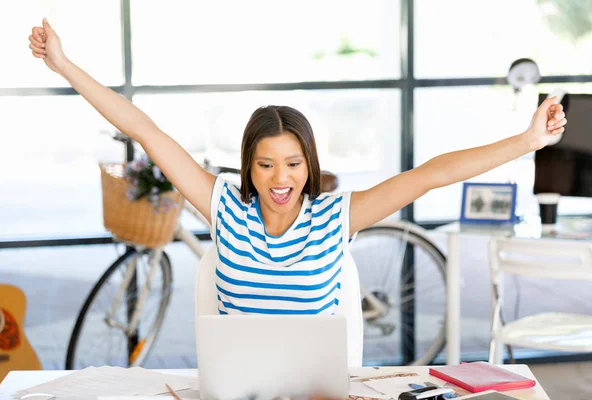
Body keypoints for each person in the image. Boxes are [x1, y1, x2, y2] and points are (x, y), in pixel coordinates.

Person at [28, 18, 566, 318]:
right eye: (265, 165)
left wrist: (525, 141)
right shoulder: (223, 207)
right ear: (248, 167)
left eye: (292, 164)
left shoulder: (335, 217)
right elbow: (145, 130)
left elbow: (430, 174)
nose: (279, 179)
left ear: (309, 165)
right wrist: (64, 65)